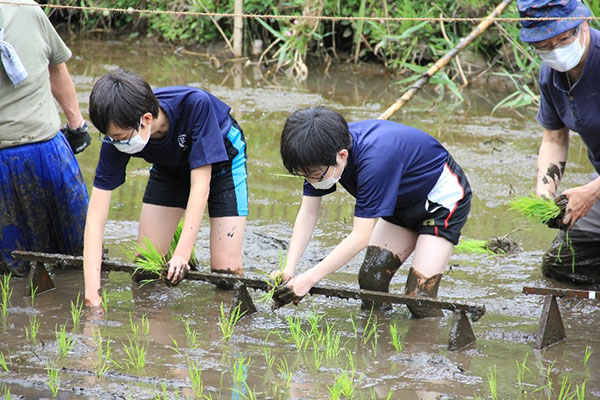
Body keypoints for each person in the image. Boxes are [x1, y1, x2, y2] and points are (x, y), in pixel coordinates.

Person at [271, 106, 472, 317]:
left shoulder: (375, 162)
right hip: (398, 202)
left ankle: (427, 346)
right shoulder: (319, 155)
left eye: (316, 175)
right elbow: (308, 213)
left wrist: (309, 278)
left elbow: (360, 237)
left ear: (342, 155)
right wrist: (289, 269)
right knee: (371, 278)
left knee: (419, 299)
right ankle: (377, 340)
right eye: (304, 175)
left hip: (440, 202)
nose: (312, 181)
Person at [83, 70, 248, 312]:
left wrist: (181, 254)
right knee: (146, 268)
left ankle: (223, 336)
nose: (114, 142)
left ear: (147, 120)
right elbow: (95, 219)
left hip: (223, 162)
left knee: (226, 274)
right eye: (110, 137)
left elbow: (200, 187)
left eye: (119, 137)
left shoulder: (195, 105)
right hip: (169, 166)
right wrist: (92, 298)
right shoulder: (116, 136)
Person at [0, 0, 91, 276]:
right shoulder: (26, 8)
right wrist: (77, 124)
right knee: (79, 257)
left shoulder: (26, 9)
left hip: (44, 149)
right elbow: (58, 68)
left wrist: (76, 124)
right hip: (47, 152)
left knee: (13, 270)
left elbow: (56, 67)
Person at [518, 0, 600, 285]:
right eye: (544, 45)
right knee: (561, 265)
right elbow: (554, 137)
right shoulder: (550, 74)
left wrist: (591, 191)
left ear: (584, 23)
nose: (556, 50)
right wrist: (544, 192)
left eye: (564, 38)